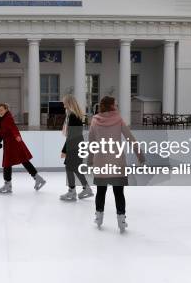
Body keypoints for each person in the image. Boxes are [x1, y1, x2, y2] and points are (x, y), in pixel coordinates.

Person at [88, 96, 144, 231]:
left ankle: (99, 216)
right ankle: (121, 219)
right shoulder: (118, 120)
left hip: (101, 162)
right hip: (117, 163)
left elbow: (91, 143)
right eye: (115, 104)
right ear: (111, 106)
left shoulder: (95, 121)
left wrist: (90, 161)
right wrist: (140, 155)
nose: (117, 106)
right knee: (119, 192)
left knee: (101, 191)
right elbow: (130, 138)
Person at [0, 103, 46, 193]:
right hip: (11, 145)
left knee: (8, 163)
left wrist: (17, 136)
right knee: (23, 162)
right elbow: (0, 132)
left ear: (6, 109)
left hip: (14, 144)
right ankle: (38, 179)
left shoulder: (8, 118)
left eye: (1, 110)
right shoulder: (4, 118)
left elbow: (14, 128)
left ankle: (8, 185)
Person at [59, 94, 93, 201]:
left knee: (70, 167)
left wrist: (64, 150)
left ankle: (72, 191)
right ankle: (85, 188)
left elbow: (72, 135)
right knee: (74, 168)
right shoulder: (72, 115)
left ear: (69, 103)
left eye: (65, 103)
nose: (63, 105)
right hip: (76, 144)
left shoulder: (73, 116)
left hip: (74, 145)